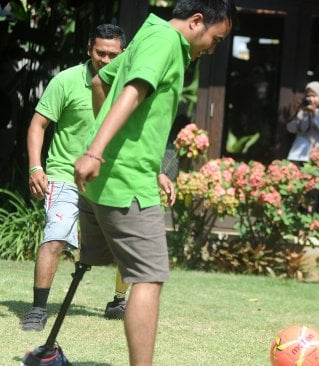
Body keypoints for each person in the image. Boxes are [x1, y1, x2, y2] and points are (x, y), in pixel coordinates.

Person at [74, 1, 235, 364]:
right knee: (149, 276)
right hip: (127, 183)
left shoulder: (149, 32)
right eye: (216, 38)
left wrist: (108, 145)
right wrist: (97, 151)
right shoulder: (164, 43)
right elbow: (131, 91)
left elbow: (102, 80)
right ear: (196, 21)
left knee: (120, 267)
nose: (213, 48)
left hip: (117, 178)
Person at [21, 24, 129, 332]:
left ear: (123, 54)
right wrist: (35, 167)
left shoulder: (130, 88)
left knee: (127, 241)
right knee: (55, 237)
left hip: (110, 178)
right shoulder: (66, 81)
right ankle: (38, 309)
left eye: (112, 54)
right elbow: (37, 125)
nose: (105, 60)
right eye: (100, 53)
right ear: (89, 50)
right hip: (65, 174)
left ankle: (119, 300)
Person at [286, 81, 319, 163]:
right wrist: (298, 112)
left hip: (317, 157)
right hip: (298, 156)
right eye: (308, 96)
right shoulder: (302, 113)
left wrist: (314, 113)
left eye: (314, 96)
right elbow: (291, 129)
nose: (311, 99)